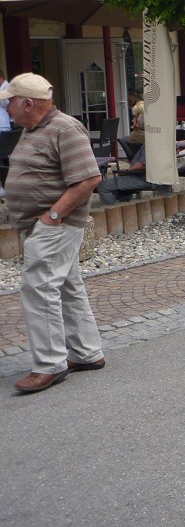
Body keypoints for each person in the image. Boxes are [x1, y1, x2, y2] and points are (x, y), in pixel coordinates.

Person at [1, 73, 105, 393]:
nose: (6, 110)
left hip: (56, 224)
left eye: (9, 103)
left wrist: (52, 216)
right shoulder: (34, 129)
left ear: (27, 103)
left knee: (38, 287)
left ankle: (49, 364)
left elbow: (88, 179)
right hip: (43, 224)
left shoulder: (65, 128)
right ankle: (86, 352)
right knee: (67, 286)